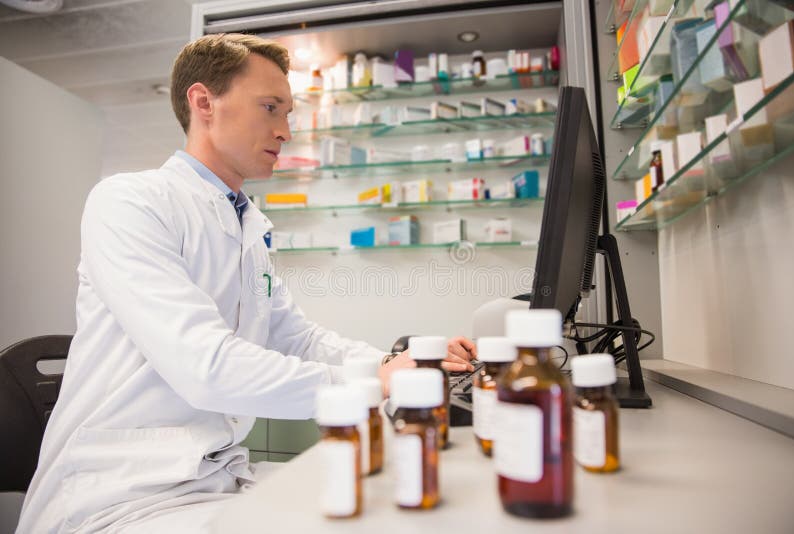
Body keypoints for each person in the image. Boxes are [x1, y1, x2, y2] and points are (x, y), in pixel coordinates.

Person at [16, 33, 476, 533]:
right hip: (121, 493)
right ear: (203, 102)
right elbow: (205, 366)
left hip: (212, 480)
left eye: (288, 114)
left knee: (392, 507)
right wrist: (372, 380)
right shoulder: (130, 203)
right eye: (270, 108)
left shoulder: (246, 226)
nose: (285, 131)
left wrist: (395, 363)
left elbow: (296, 337)